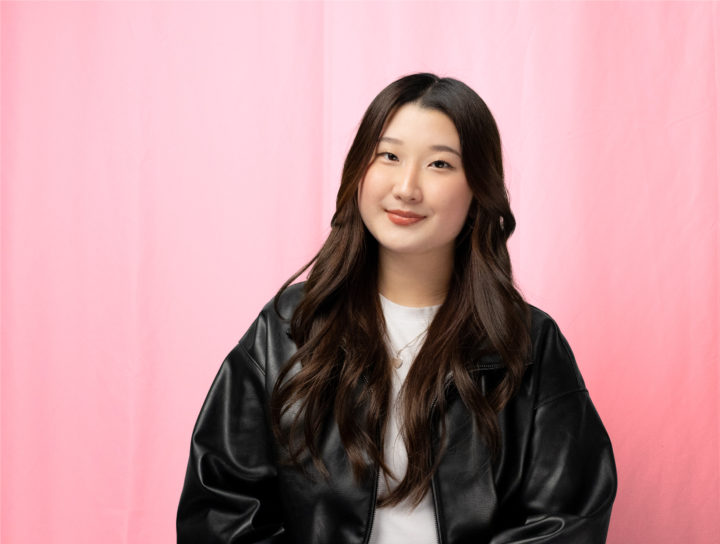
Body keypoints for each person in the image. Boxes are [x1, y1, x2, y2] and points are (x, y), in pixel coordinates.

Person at [176, 72, 617, 543]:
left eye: (440, 165)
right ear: (359, 170)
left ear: (478, 191)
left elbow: (568, 520)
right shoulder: (288, 329)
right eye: (389, 155)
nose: (407, 187)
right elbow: (220, 510)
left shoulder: (528, 344)